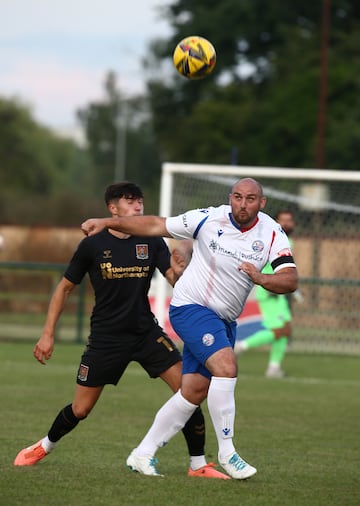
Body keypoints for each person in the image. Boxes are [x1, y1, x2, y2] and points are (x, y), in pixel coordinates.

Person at [80, 178, 298, 480]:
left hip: (224, 320)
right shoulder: (208, 219)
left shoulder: (272, 232)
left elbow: (290, 279)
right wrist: (106, 223)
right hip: (190, 308)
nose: (242, 204)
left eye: (250, 199)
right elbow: (156, 224)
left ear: (261, 203)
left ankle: (142, 454)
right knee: (226, 366)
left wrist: (261, 278)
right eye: (237, 197)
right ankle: (227, 452)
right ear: (230, 198)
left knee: (193, 391)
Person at [14, 182, 229, 480]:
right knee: (81, 409)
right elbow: (64, 288)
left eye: (139, 201)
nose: (138, 206)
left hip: (145, 333)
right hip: (106, 338)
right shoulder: (92, 244)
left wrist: (180, 270)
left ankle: (198, 464)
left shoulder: (151, 241)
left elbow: (174, 281)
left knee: (189, 391)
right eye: (130, 202)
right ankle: (45, 445)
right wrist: (48, 333)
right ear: (112, 209)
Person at [234, 210, 298, 378]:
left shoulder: (286, 240)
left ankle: (274, 367)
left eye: (289, 220)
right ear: (276, 222)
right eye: (282, 220)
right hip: (271, 292)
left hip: (278, 292)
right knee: (280, 330)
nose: (286, 224)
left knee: (285, 330)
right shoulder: (276, 238)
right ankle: (242, 346)